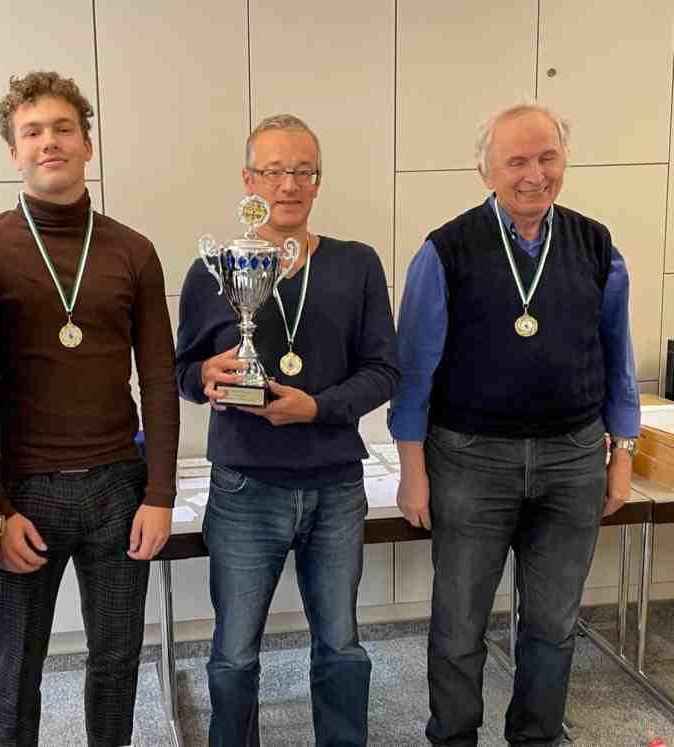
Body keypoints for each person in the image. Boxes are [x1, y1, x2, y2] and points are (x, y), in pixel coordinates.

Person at [390, 101, 640, 747]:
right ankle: (454, 737)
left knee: (553, 625)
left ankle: (537, 737)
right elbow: (415, 370)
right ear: (486, 171)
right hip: (470, 460)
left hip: (573, 458)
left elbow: (617, 356)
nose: (534, 174)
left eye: (547, 157)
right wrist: (413, 471)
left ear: (565, 160)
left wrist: (623, 452)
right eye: (517, 161)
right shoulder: (445, 250)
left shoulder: (596, 244)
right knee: (459, 624)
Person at [175, 113, 400, 747]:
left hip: (335, 487)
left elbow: (385, 371)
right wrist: (206, 376)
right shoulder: (216, 269)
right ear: (249, 179)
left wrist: (317, 408)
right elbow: (182, 372)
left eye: (304, 170)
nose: (289, 184)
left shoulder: (356, 264)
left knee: (341, 646)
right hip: (245, 487)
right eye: (274, 170)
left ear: (319, 180)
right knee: (234, 654)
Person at [0, 71, 180, 747]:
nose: (50, 142)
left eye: (63, 128)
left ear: (87, 144)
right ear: (14, 151)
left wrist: (160, 495)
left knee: (117, 660)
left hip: (119, 488)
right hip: (25, 493)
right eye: (32, 132)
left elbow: (158, 379)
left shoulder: (133, 250)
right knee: (16, 667)